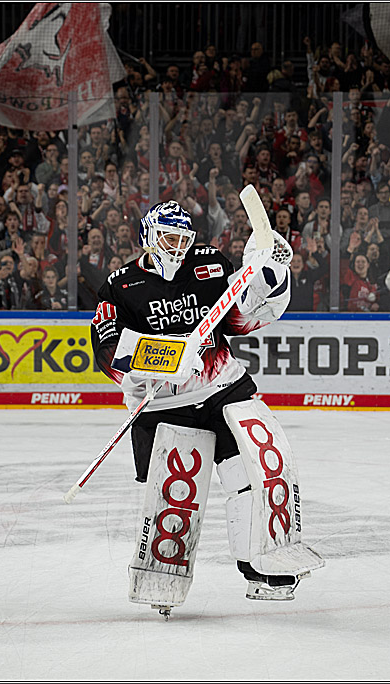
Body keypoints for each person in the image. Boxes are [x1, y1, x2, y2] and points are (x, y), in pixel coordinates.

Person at [90, 199, 319, 607]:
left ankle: (262, 567)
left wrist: (268, 279)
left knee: (250, 476)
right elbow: (107, 349)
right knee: (173, 496)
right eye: (168, 238)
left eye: (183, 238)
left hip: (223, 386)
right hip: (163, 405)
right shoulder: (121, 285)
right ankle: (161, 575)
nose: (177, 247)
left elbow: (241, 318)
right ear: (148, 237)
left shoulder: (209, 263)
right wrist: (164, 358)